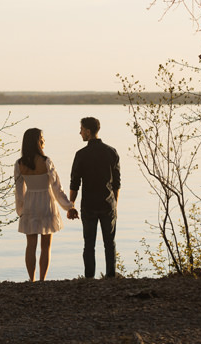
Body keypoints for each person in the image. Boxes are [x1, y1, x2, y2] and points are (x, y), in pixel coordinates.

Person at [14, 127, 74, 281]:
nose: (43, 140)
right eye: (41, 137)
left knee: (30, 245)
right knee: (46, 246)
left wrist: (20, 210)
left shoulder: (19, 163)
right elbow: (56, 188)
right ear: (37, 141)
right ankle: (42, 280)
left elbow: (19, 191)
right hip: (46, 203)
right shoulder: (46, 161)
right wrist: (69, 206)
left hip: (30, 204)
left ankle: (31, 279)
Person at [69, 116, 121, 279]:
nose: (80, 133)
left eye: (82, 130)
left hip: (89, 206)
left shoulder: (81, 154)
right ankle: (110, 276)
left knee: (89, 244)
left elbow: (74, 183)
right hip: (108, 204)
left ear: (88, 132)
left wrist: (71, 204)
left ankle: (89, 278)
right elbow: (117, 183)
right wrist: (115, 204)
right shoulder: (111, 152)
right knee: (109, 244)